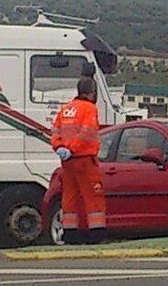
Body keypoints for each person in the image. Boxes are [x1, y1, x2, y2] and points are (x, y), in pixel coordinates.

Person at [51, 77, 106, 244]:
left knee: (69, 196)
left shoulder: (66, 109)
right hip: (84, 159)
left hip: (67, 162)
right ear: (92, 92)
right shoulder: (89, 109)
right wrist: (72, 148)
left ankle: (70, 233)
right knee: (93, 196)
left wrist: (59, 147)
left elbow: (55, 131)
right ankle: (96, 234)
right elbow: (87, 132)